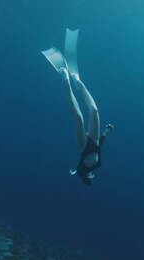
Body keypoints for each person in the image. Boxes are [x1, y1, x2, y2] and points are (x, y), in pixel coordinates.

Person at [42, 29, 114, 185]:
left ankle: (66, 79)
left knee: (78, 117)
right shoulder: (97, 165)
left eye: (90, 178)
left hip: (83, 147)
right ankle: (79, 83)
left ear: (86, 177)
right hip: (94, 142)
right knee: (94, 110)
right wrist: (106, 132)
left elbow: (76, 170)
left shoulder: (81, 168)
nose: (92, 176)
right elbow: (100, 147)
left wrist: (75, 172)